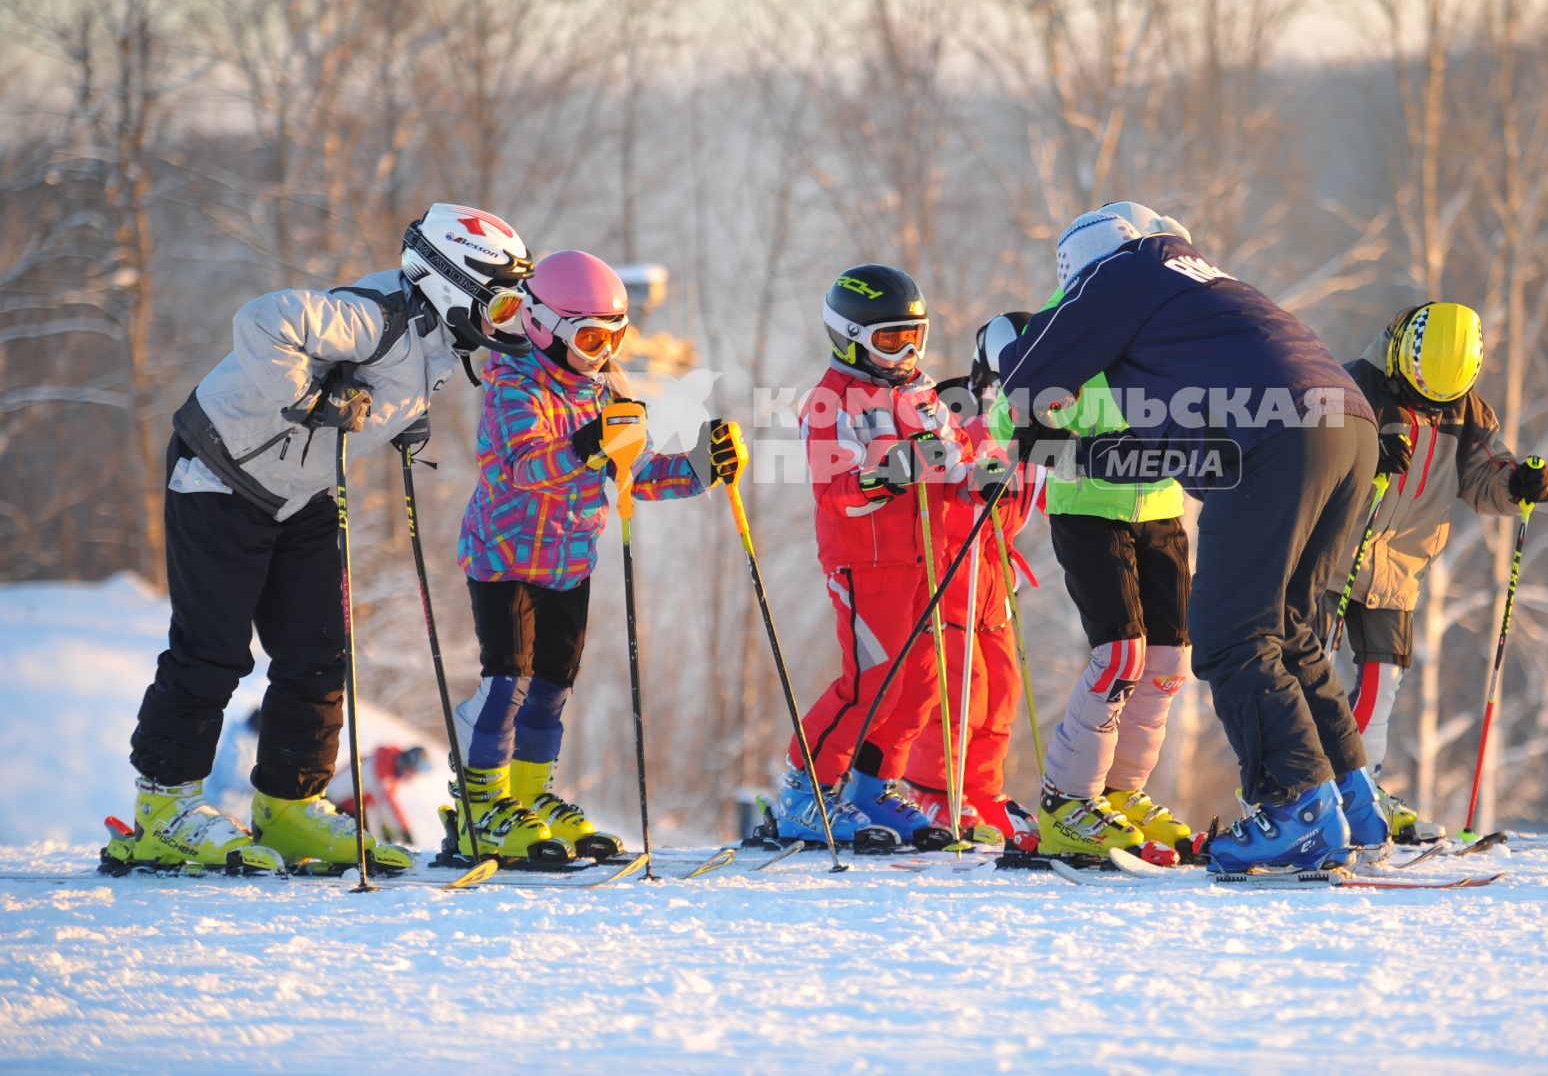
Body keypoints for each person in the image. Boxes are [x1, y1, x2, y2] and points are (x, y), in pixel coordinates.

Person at [116, 203, 537, 876]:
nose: (509, 320)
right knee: (214, 649)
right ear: (453, 284)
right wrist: (310, 397)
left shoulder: (438, 336)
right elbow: (262, 320)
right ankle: (163, 808)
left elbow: (383, 384)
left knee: (318, 650)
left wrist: (403, 421)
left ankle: (288, 804)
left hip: (301, 491)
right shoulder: (377, 315)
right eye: (504, 304)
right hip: (220, 472)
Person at [996, 206, 1392, 873]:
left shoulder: (1122, 273)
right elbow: (1159, 450)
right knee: (1288, 628)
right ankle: (1352, 802)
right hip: (1347, 425)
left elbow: (1025, 371)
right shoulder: (1198, 292)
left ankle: (1295, 808)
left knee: (1234, 631)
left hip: (1281, 432)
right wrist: (1071, 449)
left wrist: (1028, 381)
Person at [447, 249, 743, 863]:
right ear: (544, 326)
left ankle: (528, 796)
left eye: (614, 337)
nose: (601, 351)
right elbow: (521, 468)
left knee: (552, 687)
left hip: (569, 560)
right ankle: (482, 806)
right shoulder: (513, 384)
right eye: (588, 337)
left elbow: (636, 475)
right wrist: (584, 444)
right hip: (505, 557)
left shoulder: (606, 387)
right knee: (508, 682)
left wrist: (702, 466)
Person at [983, 202, 1198, 860]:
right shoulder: (1063, 324)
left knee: (1169, 660)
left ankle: (1121, 792)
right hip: (1089, 509)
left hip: (1159, 508)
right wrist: (1055, 430)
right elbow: (1002, 421)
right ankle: (1068, 802)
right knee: (1122, 653)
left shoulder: (1167, 327)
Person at [770, 263, 984, 851]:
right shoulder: (830, 401)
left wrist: (984, 473)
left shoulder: (920, 391)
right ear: (850, 335)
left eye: (915, 336)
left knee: (920, 683)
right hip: (868, 563)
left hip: (926, 559)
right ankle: (803, 793)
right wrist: (892, 470)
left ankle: (872, 786)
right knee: (871, 680)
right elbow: (838, 492)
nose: (906, 350)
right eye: (891, 339)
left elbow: (956, 458)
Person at [1329, 301, 1548, 842]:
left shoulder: (1468, 413)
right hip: (1332, 559)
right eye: (1419, 391)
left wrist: (1517, 483)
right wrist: (1367, 455)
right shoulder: (1351, 387)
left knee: (1381, 685)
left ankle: (1359, 790)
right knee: (1306, 677)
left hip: (1399, 567)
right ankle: (1298, 792)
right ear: (1401, 354)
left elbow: (1484, 474)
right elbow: (1315, 452)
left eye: (1442, 398)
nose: (1428, 406)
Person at [902, 323, 1044, 844]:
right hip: (951, 567)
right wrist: (977, 491)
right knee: (963, 686)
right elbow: (946, 487)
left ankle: (981, 789)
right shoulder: (960, 418)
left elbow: (1043, 497)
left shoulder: (1034, 427)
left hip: (993, 579)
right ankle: (934, 791)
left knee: (1001, 688)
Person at [327, 744, 429, 845]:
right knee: (360, 843)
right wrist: (404, 831)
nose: (412, 776)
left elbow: (375, 804)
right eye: (413, 771)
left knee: (366, 838)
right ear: (406, 764)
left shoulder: (387, 768)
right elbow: (386, 803)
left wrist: (385, 830)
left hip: (347, 806)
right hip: (331, 803)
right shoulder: (381, 768)